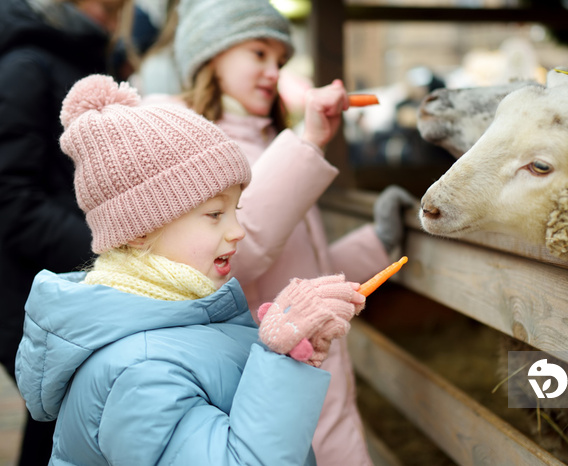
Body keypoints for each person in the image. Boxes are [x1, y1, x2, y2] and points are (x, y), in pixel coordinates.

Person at [15, 74, 366, 465]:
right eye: (215, 214)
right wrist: (280, 363)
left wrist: (289, 357)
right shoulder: (142, 371)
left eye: (237, 210)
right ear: (140, 230)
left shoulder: (179, 318)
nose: (237, 231)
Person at [165, 1, 416, 464]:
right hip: (269, 375)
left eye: (279, 60)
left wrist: (375, 244)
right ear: (209, 55)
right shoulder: (189, 147)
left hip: (312, 365)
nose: (271, 71)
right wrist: (309, 141)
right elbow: (235, 257)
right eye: (258, 53)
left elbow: (296, 266)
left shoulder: (266, 141)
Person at [0, 1, 133, 464]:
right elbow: (11, 201)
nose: (112, 12)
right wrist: (113, 248)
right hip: (32, 294)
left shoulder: (85, 59)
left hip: (76, 284)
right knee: (61, 415)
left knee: (66, 422)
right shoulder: (25, 66)